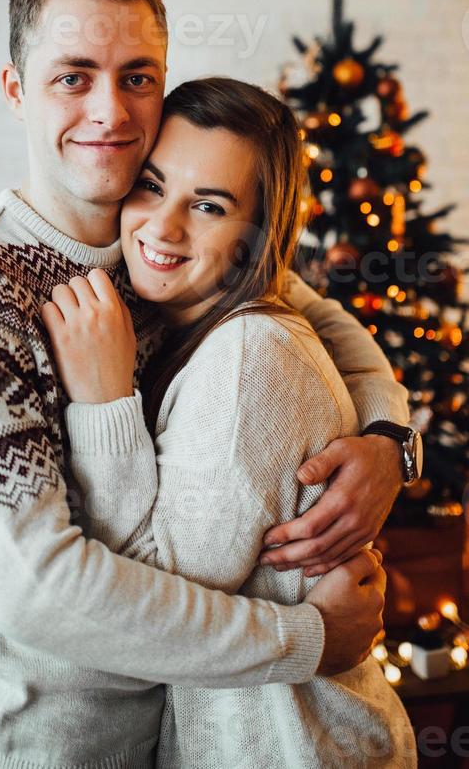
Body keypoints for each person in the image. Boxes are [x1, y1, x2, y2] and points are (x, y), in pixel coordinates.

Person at [0, 0, 410, 769]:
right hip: (17, 752)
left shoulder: (158, 250)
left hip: (161, 746)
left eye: (137, 76)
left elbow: (323, 319)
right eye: (72, 76)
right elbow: (36, 590)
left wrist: (387, 442)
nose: (111, 111)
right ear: (15, 90)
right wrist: (306, 638)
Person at [43, 77, 418, 767]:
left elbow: (159, 596)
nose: (163, 226)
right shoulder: (198, 314)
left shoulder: (248, 356)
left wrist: (102, 406)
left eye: (208, 206)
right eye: (152, 186)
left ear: (255, 237)